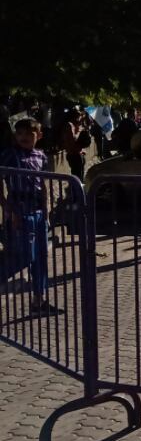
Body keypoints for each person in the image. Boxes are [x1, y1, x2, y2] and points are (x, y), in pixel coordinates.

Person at [0, 118, 60, 315]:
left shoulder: (41, 156)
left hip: (38, 213)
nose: (23, 137)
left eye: (28, 133)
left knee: (40, 258)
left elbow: (43, 184)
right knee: (24, 256)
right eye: (20, 134)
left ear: (39, 135)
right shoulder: (9, 155)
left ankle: (38, 301)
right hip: (19, 212)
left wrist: (47, 210)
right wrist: (8, 208)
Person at [62, 108, 89, 181]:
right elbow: (73, 140)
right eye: (79, 117)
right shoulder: (69, 125)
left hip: (78, 153)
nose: (80, 119)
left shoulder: (75, 125)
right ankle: (75, 191)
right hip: (74, 155)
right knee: (77, 177)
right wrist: (79, 131)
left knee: (81, 175)